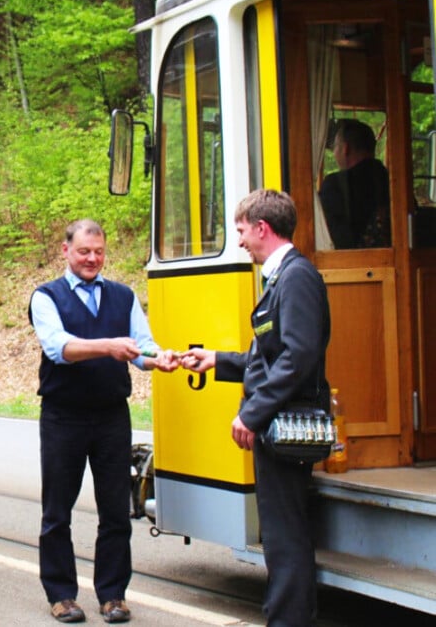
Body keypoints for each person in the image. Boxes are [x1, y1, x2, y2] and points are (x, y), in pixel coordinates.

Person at [181, 189, 331, 627]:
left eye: (242, 230)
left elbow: (297, 357)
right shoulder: (281, 277)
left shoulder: (296, 277)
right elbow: (271, 355)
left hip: (283, 423)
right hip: (277, 419)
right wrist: (217, 361)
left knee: (285, 537)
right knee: (283, 535)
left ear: (262, 228)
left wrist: (253, 412)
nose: (240, 240)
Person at [29, 219, 179, 624]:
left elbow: (142, 347)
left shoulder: (123, 296)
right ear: (65, 252)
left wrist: (158, 360)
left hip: (112, 416)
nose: (92, 259)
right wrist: (109, 346)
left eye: (98, 252)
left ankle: (113, 594)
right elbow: (60, 348)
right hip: (64, 418)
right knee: (57, 510)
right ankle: (61, 595)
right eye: (83, 252)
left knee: (115, 511)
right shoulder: (45, 297)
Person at [317, 118, 390, 249]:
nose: (334, 153)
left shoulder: (333, 185)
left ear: (345, 149)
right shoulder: (393, 182)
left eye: (335, 147)